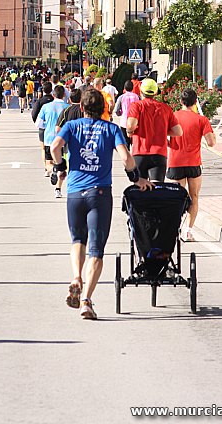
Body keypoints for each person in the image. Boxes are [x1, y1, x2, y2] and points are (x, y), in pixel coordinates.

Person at [51, 88, 152, 320]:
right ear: (105, 109)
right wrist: (136, 178)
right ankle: (86, 300)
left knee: (78, 240)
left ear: (82, 108)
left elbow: (55, 147)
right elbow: (126, 158)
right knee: (96, 249)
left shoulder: (71, 126)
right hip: (99, 194)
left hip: (75, 193)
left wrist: (60, 168)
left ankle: (76, 276)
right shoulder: (111, 129)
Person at [167, 88, 216, 241]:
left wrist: (171, 144)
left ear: (180, 101)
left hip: (175, 161)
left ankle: (174, 228)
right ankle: (188, 230)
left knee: (177, 198)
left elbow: (162, 136)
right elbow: (211, 142)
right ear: (195, 102)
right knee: (194, 196)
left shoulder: (172, 117)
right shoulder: (201, 120)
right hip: (194, 163)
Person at [126, 78, 182, 182]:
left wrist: (130, 132)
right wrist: (163, 131)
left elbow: (130, 125)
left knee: (140, 187)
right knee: (157, 190)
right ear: (156, 92)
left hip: (140, 153)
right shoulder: (165, 108)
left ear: (141, 91)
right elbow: (178, 131)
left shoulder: (137, 106)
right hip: (159, 154)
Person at [36, 84, 68, 197]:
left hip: (49, 138)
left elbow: (38, 123)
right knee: (62, 164)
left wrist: (47, 125)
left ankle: (53, 169)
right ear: (64, 95)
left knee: (48, 162)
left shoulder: (46, 107)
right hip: (63, 139)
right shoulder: (67, 107)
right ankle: (58, 189)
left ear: (53, 95)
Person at [31, 81, 54, 175]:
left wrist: (38, 123)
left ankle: (47, 168)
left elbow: (34, 114)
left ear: (43, 90)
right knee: (54, 147)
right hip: (54, 127)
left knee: (43, 148)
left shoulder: (39, 101)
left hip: (43, 128)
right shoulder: (54, 100)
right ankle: (54, 165)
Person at [113, 80, 140, 149]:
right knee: (135, 142)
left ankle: (128, 156)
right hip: (135, 122)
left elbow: (116, 110)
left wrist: (120, 114)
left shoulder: (121, 97)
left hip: (124, 122)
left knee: (125, 142)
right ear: (132, 87)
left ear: (124, 88)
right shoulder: (137, 97)